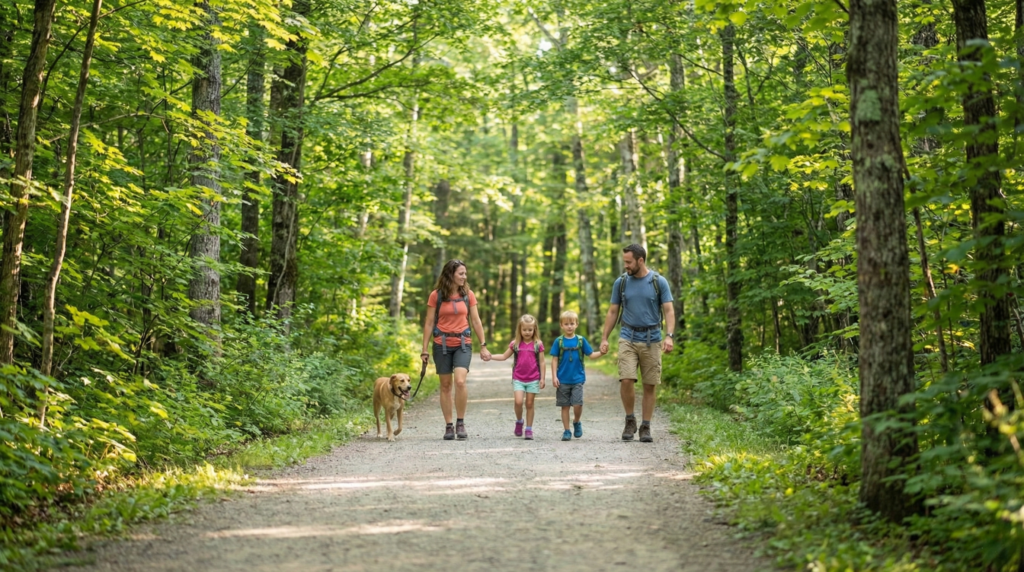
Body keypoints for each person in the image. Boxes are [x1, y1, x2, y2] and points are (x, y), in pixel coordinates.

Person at [599, 244, 675, 443]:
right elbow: (613, 311)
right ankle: (630, 419)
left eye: (629, 262)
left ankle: (646, 426)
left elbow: (669, 310)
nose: (626, 265)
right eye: (624, 261)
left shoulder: (659, 282)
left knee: (650, 385)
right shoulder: (621, 283)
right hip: (628, 337)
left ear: (640, 260)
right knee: (626, 379)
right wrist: (605, 337)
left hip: (652, 339)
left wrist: (669, 336)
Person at [421, 259, 492, 440]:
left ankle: (460, 422)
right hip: (441, 345)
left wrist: (483, 345)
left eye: (465, 273)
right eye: (461, 273)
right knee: (445, 386)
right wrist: (424, 349)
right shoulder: (435, 296)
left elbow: (476, 321)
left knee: (460, 382)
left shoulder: (468, 294)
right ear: (450, 274)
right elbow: (429, 323)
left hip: (463, 344)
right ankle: (449, 425)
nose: (464, 277)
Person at [490, 314, 545, 440]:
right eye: (524, 329)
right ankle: (519, 421)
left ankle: (529, 429)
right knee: (518, 402)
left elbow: (542, 362)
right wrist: (490, 356)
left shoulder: (538, 344)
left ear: (534, 329)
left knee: (530, 403)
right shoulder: (515, 344)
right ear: (520, 329)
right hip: (518, 378)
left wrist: (542, 378)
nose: (527, 332)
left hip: (533, 378)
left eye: (530, 330)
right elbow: (504, 356)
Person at [550, 310, 604, 441]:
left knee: (578, 404)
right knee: (565, 406)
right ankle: (567, 430)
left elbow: (591, 355)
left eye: (572, 323)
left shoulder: (581, 340)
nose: (569, 326)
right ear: (561, 325)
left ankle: (576, 421)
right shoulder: (559, 341)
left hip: (578, 379)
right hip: (562, 379)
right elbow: (554, 359)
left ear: (576, 324)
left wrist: (602, 353)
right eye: (566, 324)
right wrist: (554, 377)